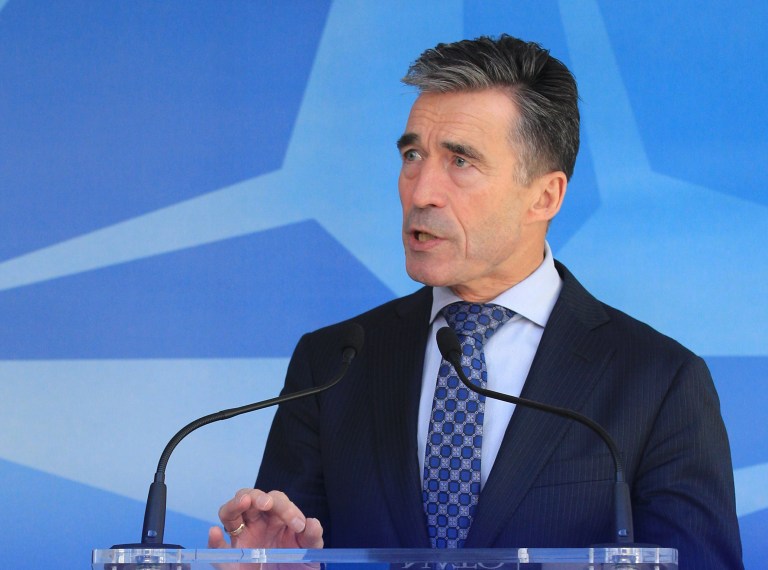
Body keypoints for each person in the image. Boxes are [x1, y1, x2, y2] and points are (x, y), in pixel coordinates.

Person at [207, 35, 743, 569]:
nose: (421, 192)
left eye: (460, 161)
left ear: (545, 196)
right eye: (413, 155)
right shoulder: (332, 364)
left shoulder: (658, 381)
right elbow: (289, 548)